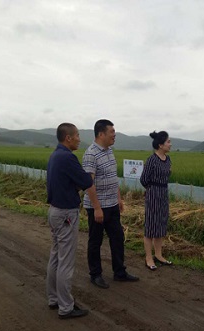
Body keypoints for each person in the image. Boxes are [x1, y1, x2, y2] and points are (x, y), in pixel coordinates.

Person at [46, 123, 100, 319]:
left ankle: (53, 299)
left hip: (54, 211)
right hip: (66, 214)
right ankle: (66, 307)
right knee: (66, 261)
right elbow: (86, 182)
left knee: (55, 256)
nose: (79, 138)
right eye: (77, 135)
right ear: (68, 138)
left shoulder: (55, 155)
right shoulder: (68, 158)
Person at [82, 119, 139, 288]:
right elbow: (89, 184)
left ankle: (119, 272)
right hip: (97, 207)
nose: (114, 135)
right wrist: (97, 207)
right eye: (112, 132)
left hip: (112, 204)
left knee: (117, 238)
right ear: (101, 134)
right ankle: (95, 274)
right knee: (95, 241)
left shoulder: (109, 151)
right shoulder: (91, 154)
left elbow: (113, 179)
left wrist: (119, 198)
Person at [140, 131, 173, 270]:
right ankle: (148, 257)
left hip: (164, 194)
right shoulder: (152, 160)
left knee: (160, 225)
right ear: (160, 145)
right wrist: (152, 189)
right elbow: (143, 179)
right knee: (151, 226)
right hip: (153, 194)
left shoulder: (168, 159)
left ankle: (159, 255)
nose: (170, 144)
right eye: (168, 142)